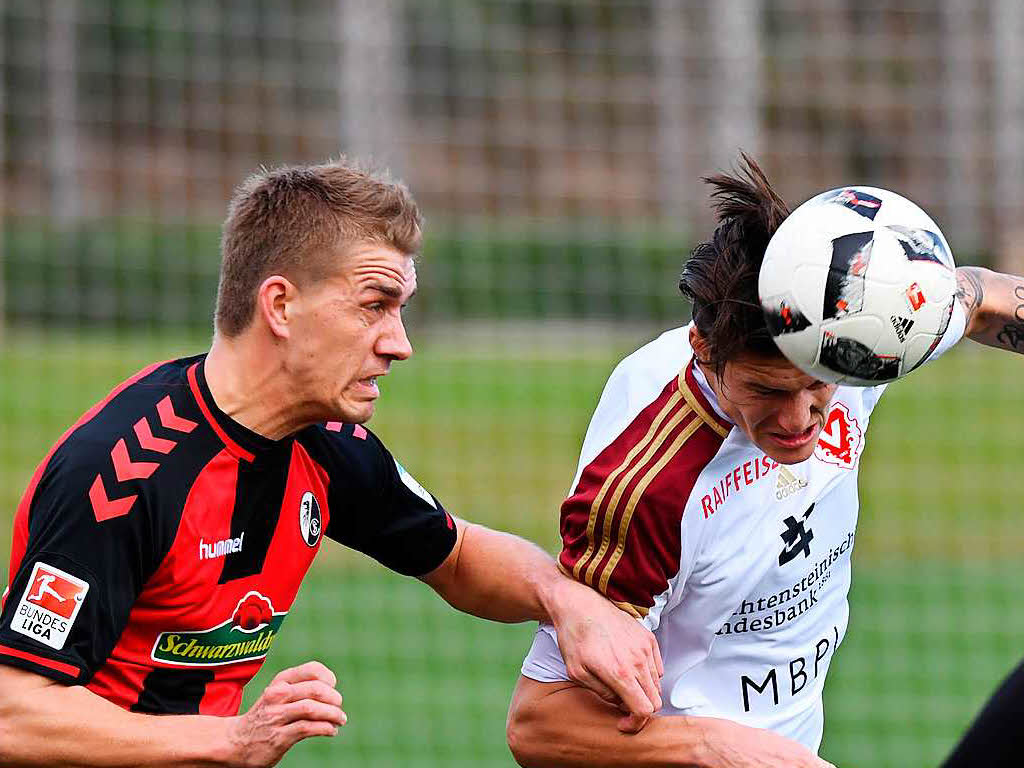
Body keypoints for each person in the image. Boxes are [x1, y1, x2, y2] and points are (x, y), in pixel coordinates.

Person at [0, 162, 664, 767]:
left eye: (400, 311)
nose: (400, 344)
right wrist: (231, 740)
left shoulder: (325, 443)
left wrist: (568, 602)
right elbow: (16, 716)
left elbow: (457, 553)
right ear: (280, 305)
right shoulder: (121, 474)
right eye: (375, 305)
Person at [505, 154, 1024, 768]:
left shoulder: (858, 333)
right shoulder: (649, 487)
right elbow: (539, 724)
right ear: (704, 350)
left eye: (817, 388)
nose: (802, 417)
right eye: (768, 392)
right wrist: (715, 747)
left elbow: (979, 295)